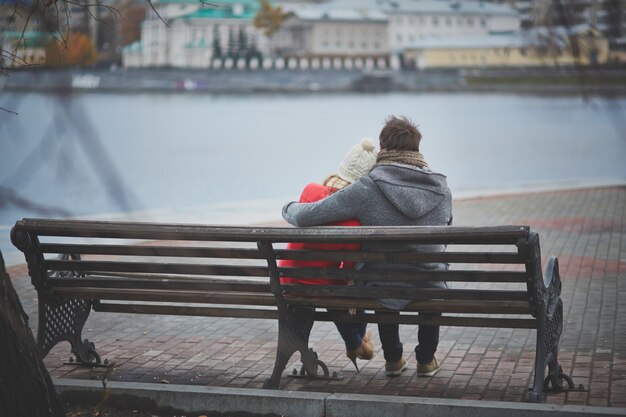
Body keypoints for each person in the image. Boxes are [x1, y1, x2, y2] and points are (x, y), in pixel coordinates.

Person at [282, 115, 452, 377]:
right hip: (429, 282)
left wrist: (288, 207)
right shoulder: (442, 188)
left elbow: (306, 216)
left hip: (382, 285)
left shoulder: (369, 187)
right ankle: (427, 360)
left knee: (382, 277)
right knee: (429, 271)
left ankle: (393, 359)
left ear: (382, 150)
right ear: (417, 149)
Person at [279, 137, 378, 371]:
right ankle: (356, 343)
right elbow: (348, 270)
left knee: (336, 287)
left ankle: (357, 343)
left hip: (287, 280)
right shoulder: (354, 222)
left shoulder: (310, 190)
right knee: (352, 291)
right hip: (319, 286)